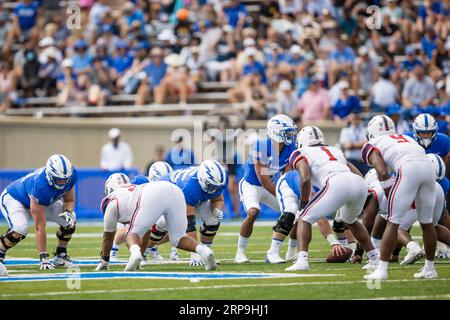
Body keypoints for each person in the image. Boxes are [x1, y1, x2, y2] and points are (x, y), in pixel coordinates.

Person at [285, 126, 379, 271]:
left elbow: (305, 179)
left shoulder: (300, 152)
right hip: (358, 182)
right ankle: (374, 257)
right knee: (351, 220)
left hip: (336, 182)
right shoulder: (335, 150)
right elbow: (358, 174)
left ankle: (302, 260)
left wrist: (303, 203)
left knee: (304, 218)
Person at [362, 115, 437, 280]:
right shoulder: (406, 138)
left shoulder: (372, 144)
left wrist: (389, 193)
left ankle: (382, 270)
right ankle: (430, 268)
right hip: (428, 168)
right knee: (427, 223)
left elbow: (381, 172)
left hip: (408, 169)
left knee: (393, 222)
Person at [96, 176, 217, 272]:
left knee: (130, 233)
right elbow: (147, 232)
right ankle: (204, 251)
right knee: (178, 239)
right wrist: (141, 254)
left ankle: (135, 254)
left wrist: (104, 260)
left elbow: (108, 236)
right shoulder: (129, 192)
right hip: (174, 190)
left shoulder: (109, 202)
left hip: (152, 194)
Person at [0, 155, 77, 275]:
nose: (63, 182)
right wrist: (43, 257)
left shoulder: (71, 176)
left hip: (45, 201)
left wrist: (67, 212)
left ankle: (61, 255)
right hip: (16, 199)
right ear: (50, 175)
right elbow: (39, 227)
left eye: (65, 178)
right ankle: (0, 251)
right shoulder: (40, 185)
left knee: (70, 220)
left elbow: (69, 200)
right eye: (59, 179)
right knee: (20, 229)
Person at [235, 115, 297, 264]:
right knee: (252, 212)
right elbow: (264, 181)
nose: (290, 135)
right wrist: (282, 195)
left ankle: (291, 251)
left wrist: (289, 198)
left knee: (294, 212)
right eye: (287, 132)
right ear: (275, 132)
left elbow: (287, 176)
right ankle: (240, 252)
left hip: (271, 185)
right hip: (252, 185)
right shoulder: (260, 146)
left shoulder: (290, 148)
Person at [159, 160, 228, 266]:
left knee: (213, 219)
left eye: (216, 187)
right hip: (168, 195)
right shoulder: (190, 186)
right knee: (161, 227)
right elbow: (190, 224)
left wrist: (217, 210)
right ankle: (147, 248)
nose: (214, 190)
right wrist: (194, 254)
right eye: (211, 186)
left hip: (193, 196)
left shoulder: (217, 181)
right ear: (202, 179)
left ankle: (206, 252)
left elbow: (218, 199)